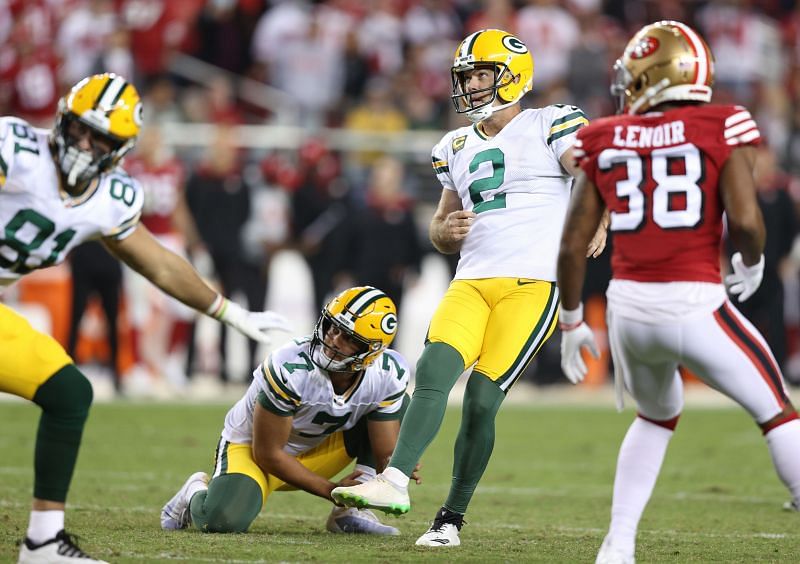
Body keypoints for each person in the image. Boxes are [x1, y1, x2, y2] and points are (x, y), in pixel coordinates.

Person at [331, 29, 607, 547]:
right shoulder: (453, 144)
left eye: (482, 74)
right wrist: (445, 231)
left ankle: (450, 519)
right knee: (433, 368)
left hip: (531, 284)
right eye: (467, 76)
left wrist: (601, 218)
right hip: (473, 280)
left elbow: (593, 170)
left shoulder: (550, 122)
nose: (473, 85)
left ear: (513, 75)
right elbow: (439, 227)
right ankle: (393, 481)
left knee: (482, 398)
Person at [1, 72, 290, 563]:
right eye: (80, 129)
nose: (85, 144)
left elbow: (156, 261)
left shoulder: (110, 198)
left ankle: (43, 543)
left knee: (68, 393)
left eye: (101, 137)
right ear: (61, 122)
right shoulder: (15, 148)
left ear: (120, 148)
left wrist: (229, 312)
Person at [555, 21, 800, 564]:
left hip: (628, 311)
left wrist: (572, 322)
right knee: (778, 412)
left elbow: (573, 247)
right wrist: (751, 260)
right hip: (694, 302)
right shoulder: (722, 123)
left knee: (656, 414)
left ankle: (617, 545)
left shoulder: (602, 136)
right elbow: (746, 220)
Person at [160, 286, 414, 536]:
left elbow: (384, 454)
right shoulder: (290, 367)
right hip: (254, 451)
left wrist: (398, 465)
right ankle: (194, 489)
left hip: (318, 448)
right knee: (221, 520)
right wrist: (331, 490)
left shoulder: (387, 373)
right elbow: (267, 453)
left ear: (371, 351)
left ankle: (351, 512)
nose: (333, 340)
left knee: (402, 403)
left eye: (349, 338)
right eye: (334, 327)